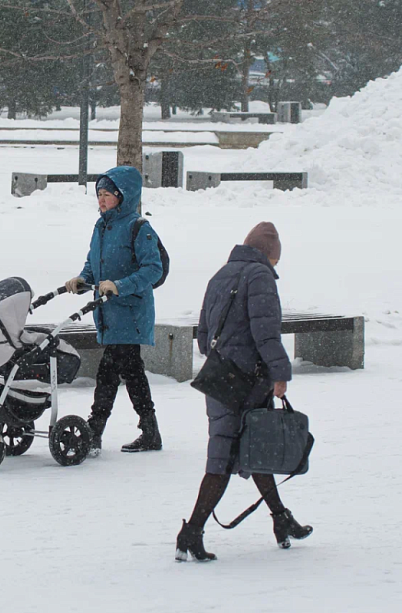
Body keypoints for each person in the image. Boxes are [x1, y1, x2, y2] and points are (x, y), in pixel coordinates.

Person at [175, 222, 313, 562]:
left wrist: (225, 357)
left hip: (219, 377)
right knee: (223, 459)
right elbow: (266, 332)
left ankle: (281, 519)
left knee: (254, 445)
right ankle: (191, 531)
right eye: (276, 259)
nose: (276, 265)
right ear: (268, 253)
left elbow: (203, 334)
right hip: (246, 381)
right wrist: (279, 373)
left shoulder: (220, 275)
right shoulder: (260, 276)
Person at [65, 166, 164, 456]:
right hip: (109, 314)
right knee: (130, 373)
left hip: (130, 313)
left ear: (124, 196)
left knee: (110, 373)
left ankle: (95, 430)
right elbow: (94, 263)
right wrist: (83, 280)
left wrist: (120, 286)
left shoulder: (139, 228)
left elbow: (153, 269)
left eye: (107, 194)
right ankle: (149, 430)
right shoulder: (101, 227)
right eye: (99, 194)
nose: (102, 199)